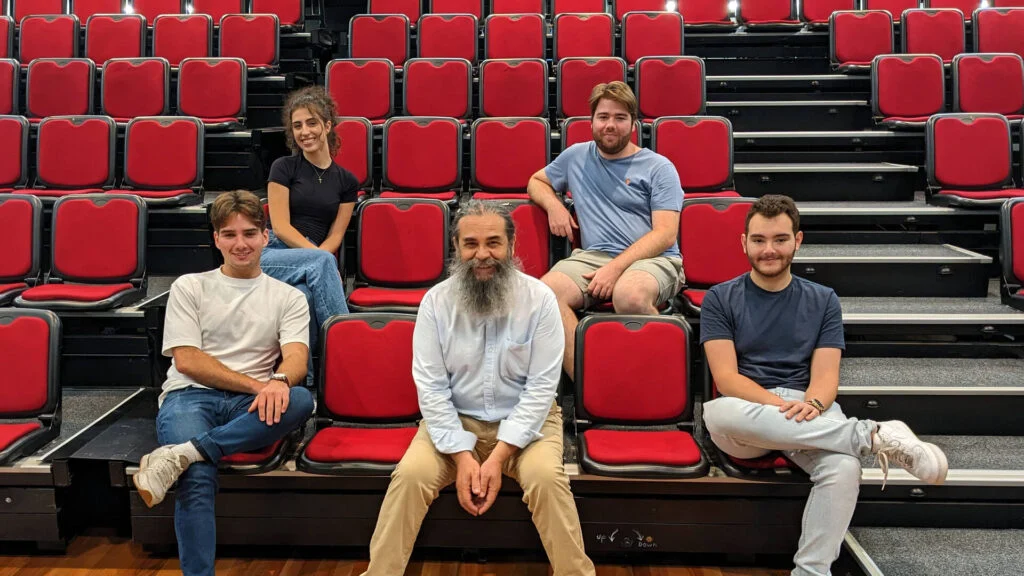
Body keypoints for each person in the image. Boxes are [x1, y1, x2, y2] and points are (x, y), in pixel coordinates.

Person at [700, 195, 949, 576]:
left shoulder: (823, 300)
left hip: (809, 408)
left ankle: (812, 572)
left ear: (798, 240)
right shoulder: (720, 298)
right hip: (749, 413)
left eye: (780, 239)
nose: (769, 250)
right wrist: (776, 406)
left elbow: (826, 376)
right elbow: (726, 379)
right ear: (743, 242)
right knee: (716, 411)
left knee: (845, 468)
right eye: (759, 239)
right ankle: (871, 436)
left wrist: (814, 404)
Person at [361, 201, 596, 576]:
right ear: (456, 246)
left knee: (548, 480)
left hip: (529, 426)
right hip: (454, 420)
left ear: (512, 245)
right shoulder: (436, 303)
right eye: (470, 244)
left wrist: (499, 457)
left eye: (493, 243)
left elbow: (540, 389)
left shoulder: (540, 301)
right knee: (409, 478)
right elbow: (432, 389)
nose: (482, 255)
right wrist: (462, 456)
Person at [134, 190, 315, 576]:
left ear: (266, 237)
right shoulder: (190, 286)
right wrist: (261, 386)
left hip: (247, 407)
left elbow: (297, 356)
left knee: (300, 400)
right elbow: (189, 361)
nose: (241, 243)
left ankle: (184, 452)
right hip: (190, 397)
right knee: (197, 477)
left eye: (250, 233)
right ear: (215, 239)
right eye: (229, 234)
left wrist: (280, 380)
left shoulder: (289, 297)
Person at [527, 81, 684, 380]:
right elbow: (536, 181)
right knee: (544, 294)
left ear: (634, 124)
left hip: (654, 259)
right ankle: (590, 383)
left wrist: (615, 269)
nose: (610, 125)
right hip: (593, 256)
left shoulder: (659, 167)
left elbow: (665, 234)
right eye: (603, 117)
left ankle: (664, 377)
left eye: (620, 118)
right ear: (592, 121)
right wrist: (555, 205)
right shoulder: (576, 156)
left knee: (630, 297)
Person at [261, 86, 357, 375]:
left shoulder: (347, 181)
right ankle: (350, 355)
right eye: (298, 125)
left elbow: (336, 236)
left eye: (312, 122)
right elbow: (280, 226)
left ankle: (312, 379)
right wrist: (320, 261)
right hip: (273, 253)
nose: (305, 132)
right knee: (322, 263)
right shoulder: (283, 167)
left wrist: (319, 261)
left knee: (303, 297)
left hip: (310, 263)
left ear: (327, 125)